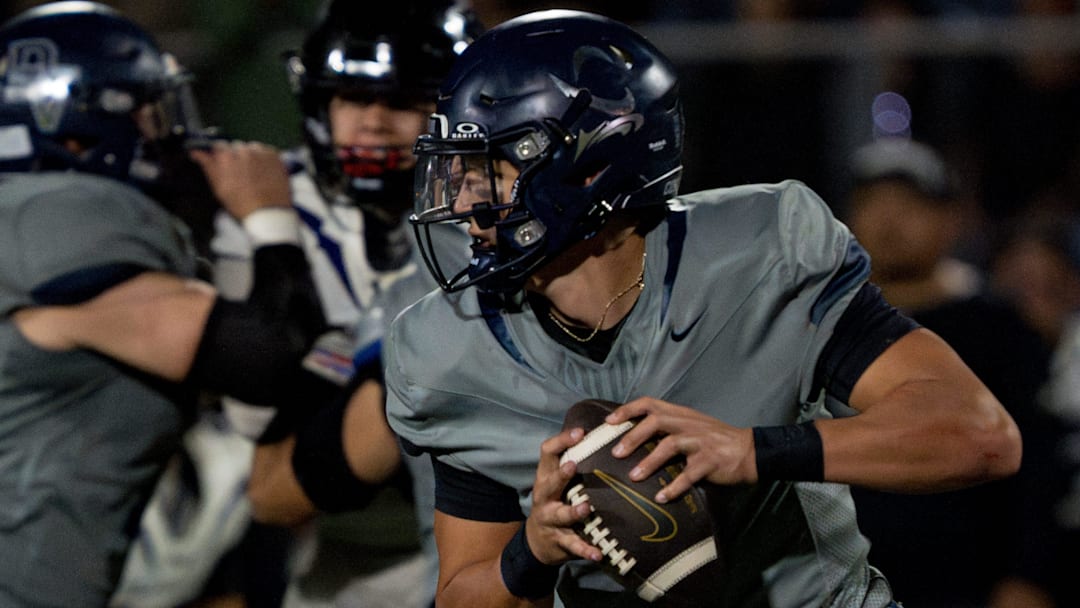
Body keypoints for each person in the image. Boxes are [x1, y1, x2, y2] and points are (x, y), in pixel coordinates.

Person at [382, 10, 1022, 608]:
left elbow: (979, 436)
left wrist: (754, 451)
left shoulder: (757, 253)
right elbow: (462, 591)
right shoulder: (450, 346)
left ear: (585, 169)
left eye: (487, 172)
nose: (462, 203)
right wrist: (531, 551)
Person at [0, 3, 326, 606]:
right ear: (76, 131)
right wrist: (269, 216)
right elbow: (262, 356)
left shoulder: (22, 210)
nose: (169, 132)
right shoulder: (66, 214)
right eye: (152, 114)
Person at [209, 2, 481, 607]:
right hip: (311, 520)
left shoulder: (493, 197)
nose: (375, 123)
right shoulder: (266, 195)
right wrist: (269, 224)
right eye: (354, 99)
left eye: (404, 100)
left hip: (467, 515)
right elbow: (251, 422)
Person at [843, 137, 1062, 608]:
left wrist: (1029, 575)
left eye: (910, 205)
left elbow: (1040, 464)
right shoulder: (821, 324)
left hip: (967, 580)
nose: (889, 220)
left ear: (950, 220)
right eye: (873, 202)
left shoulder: (999, 328)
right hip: (845, 581)